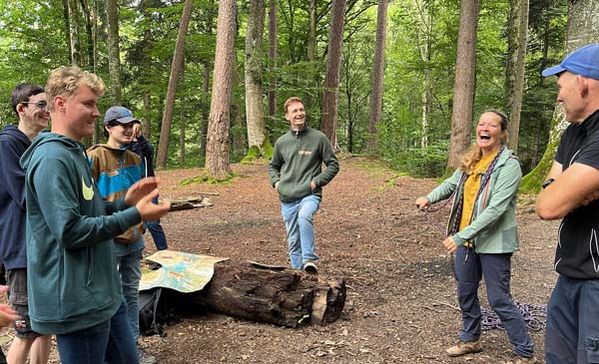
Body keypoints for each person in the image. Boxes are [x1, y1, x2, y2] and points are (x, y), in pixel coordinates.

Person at [20, 66, 170, 364]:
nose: (96, 113)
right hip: (77, 302)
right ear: (60, 103)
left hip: (103, 295)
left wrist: (125, 203)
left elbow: (92, 209)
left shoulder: (73, 152)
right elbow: (70, 230)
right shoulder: (52, 158)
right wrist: (133, 215)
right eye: (88, 104)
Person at [415, 111, 535, 363]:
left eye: (492, 124)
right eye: (481, 123)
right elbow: (451, 184)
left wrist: (460, 237)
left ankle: (525, 351)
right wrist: (429, 197)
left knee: (499, 298)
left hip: (493, 243)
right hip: (467, 242)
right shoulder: (472, 160)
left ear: (501, 133)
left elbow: (496, 209)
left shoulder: (509, 165)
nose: (485, 127)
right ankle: (471, 339)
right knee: (465, 292)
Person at [536, 44, 599, 364]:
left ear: (582, 82)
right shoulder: (573, 134)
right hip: (569, 273)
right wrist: (574, 191)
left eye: (561, 84)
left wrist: (565, 194)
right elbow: (547, 195)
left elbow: (551, 206)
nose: (558, 95)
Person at [87, 106, 148, 347]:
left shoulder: (135, 158)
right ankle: (108, 347)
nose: (128, 129)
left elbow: (141, 195)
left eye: (130, 124)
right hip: (109, 240)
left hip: (135, 238)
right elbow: (89, 202)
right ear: (108, 127)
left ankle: (131, 345)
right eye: (122, 125)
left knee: (131, 294)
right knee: (107, 297)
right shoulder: (94, 157)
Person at [0, 83, 52, 364]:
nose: (47, 110)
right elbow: (24, 195)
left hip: (43, 247)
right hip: (21, 250)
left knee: (46, 327)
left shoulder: (39, 145)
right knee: (26, 330)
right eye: (41, 105)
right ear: (22, 109)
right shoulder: (7, 144)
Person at [267, 97, 339, 274]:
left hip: (309, 194)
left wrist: (316, 182)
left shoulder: (318, 138)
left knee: (304, 216)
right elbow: (273, 166)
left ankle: (309, 260)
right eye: (295, 111)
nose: (299, 114)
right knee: (293, 239)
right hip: (287, 197)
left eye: (301, 110)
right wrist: (276, 183)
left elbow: (333, 164)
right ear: (287, 116)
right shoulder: (282, 142)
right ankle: (299, 276)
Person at [127, 122, 169, 250]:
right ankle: (135, 255)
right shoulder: (125, 148)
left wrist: (139, 136)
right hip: (132, 190)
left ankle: (164, 255)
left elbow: (148, 151)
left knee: (153, 223)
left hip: (149, 190)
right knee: (135, 223)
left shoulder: (144, 146)